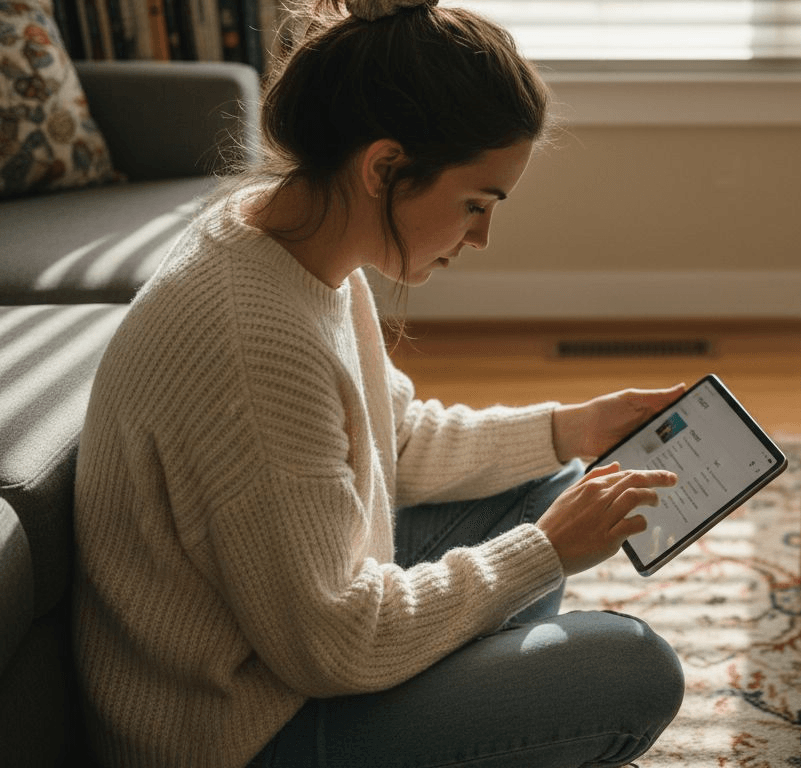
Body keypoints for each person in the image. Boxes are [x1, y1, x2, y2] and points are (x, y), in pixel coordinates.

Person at [71, 1, 686, 766]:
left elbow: (394, 441)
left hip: (284, 648)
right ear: (384, 168)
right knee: (631, 668)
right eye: (475, 204)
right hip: (238, 731)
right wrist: (544, 554)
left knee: (550, 481)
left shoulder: (298, 241)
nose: (481, 238)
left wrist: (572, 424)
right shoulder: (254, 345)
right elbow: (333, 645)